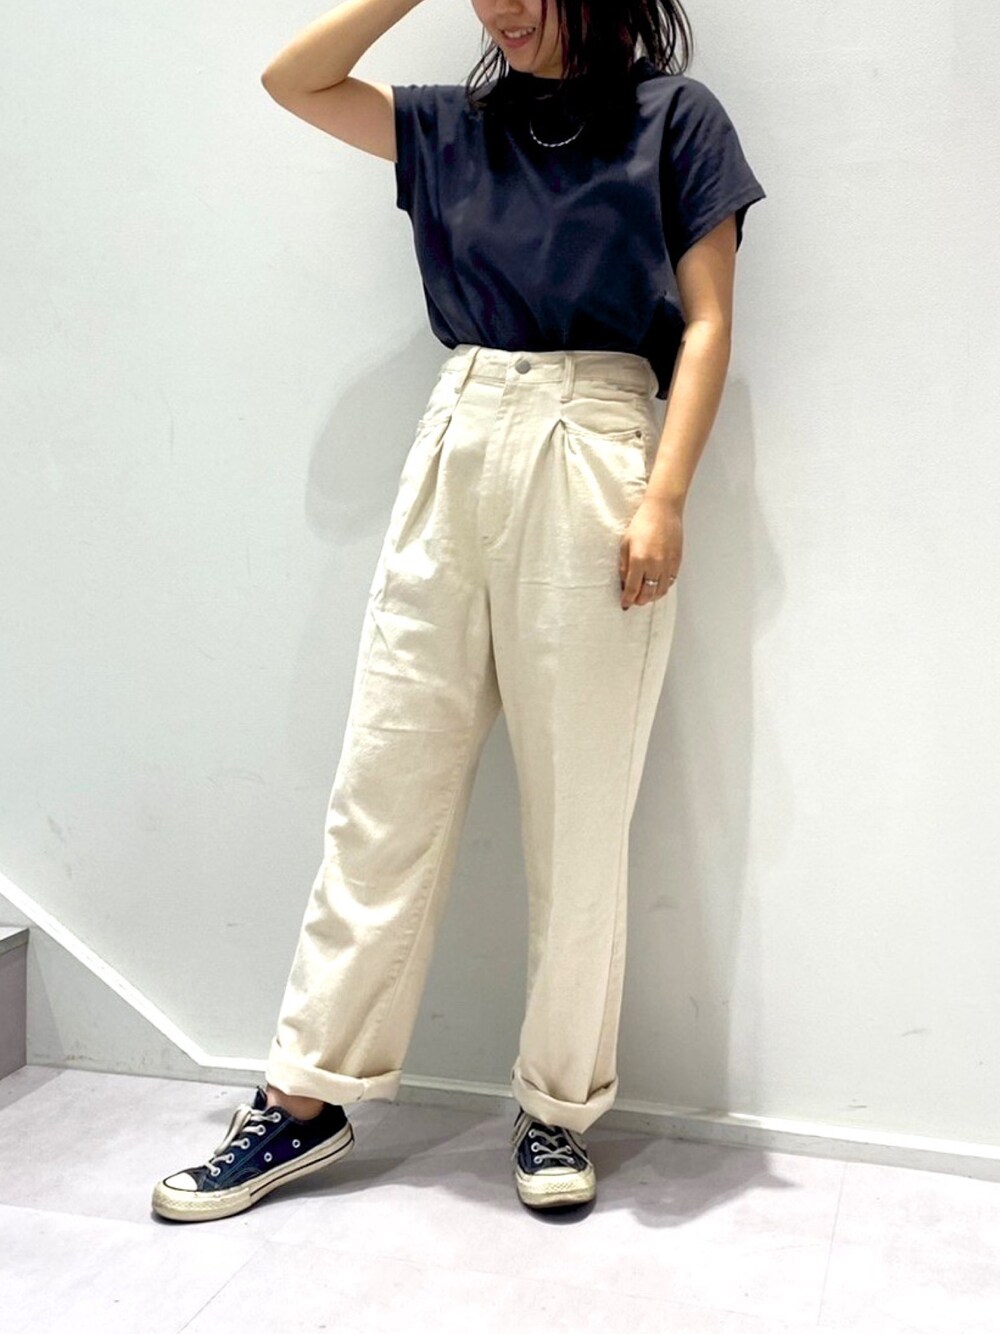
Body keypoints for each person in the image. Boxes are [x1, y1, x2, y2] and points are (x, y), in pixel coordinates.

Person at [151, 0, 766, 1223]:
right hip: (458, 435)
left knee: (580, 809)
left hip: (596, 441)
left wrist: (665, 495)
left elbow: (707, 323)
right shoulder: (454, 126)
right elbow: (294, 79)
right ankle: (304, 1094)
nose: (500, 7)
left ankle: (556, 1103)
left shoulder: (674, 119)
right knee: (383, 786)